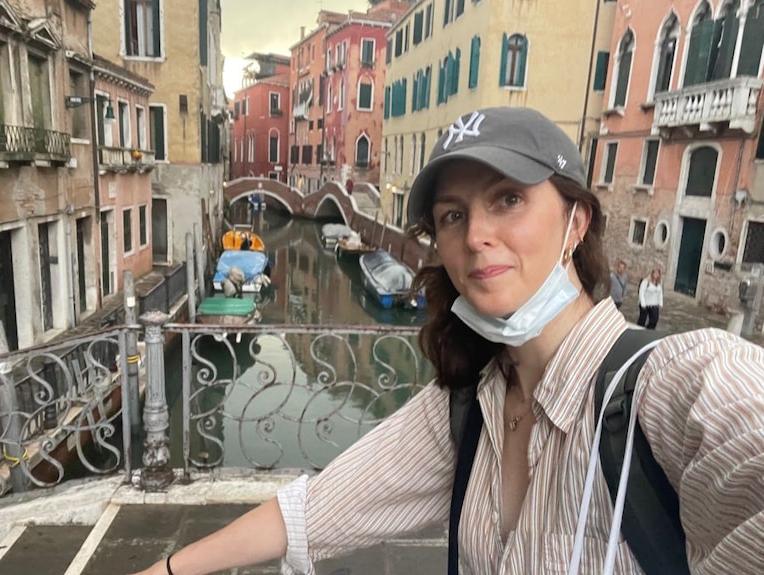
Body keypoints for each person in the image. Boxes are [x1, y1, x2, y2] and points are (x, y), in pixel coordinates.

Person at [128, 108, 764, 575]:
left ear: (577, 221)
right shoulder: (469, 404)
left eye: (508, 199)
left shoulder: (678, 379)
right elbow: (315, 510)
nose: (476, 235)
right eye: (453, 215)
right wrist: (168, 571)